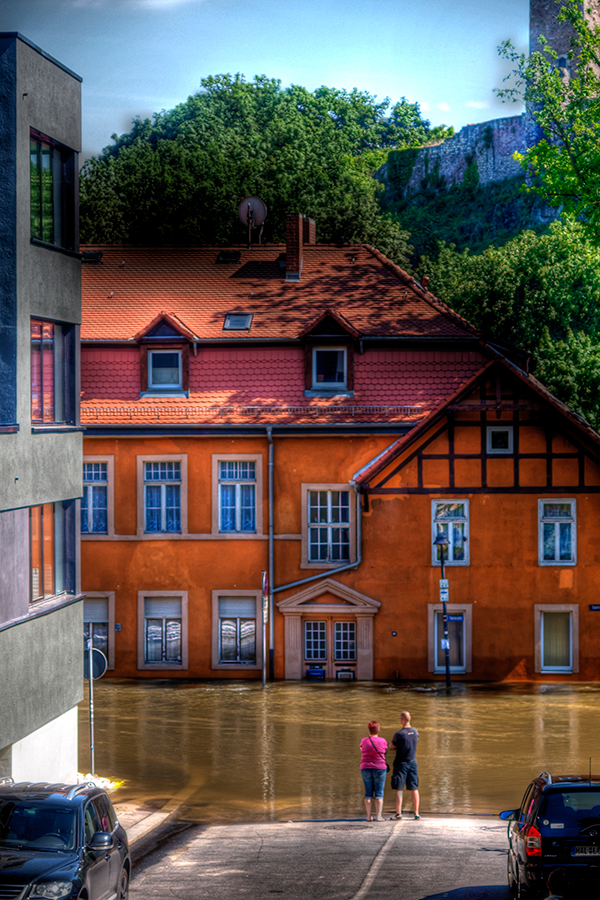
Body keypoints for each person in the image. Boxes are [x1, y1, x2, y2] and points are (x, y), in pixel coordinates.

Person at [391, 710, 420, 820]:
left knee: (399, 788)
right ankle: (416, 813)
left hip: (401, 763)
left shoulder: (399, 734)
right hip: (413, 762)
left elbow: (392, 746)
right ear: (410, 718)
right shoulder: (415, 732)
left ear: (402, 720)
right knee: (414, 788)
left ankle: (399, 813)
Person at [359, 720, 389, 822]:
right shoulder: (383, 741)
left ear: (369, 730)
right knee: (379, 793)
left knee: (368, 793)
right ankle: (379, 816)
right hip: (380, 768)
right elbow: (385, 751)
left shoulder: (364, 740)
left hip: (365, 767)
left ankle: (368, 817)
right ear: (378, 729)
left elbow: (361, 750)